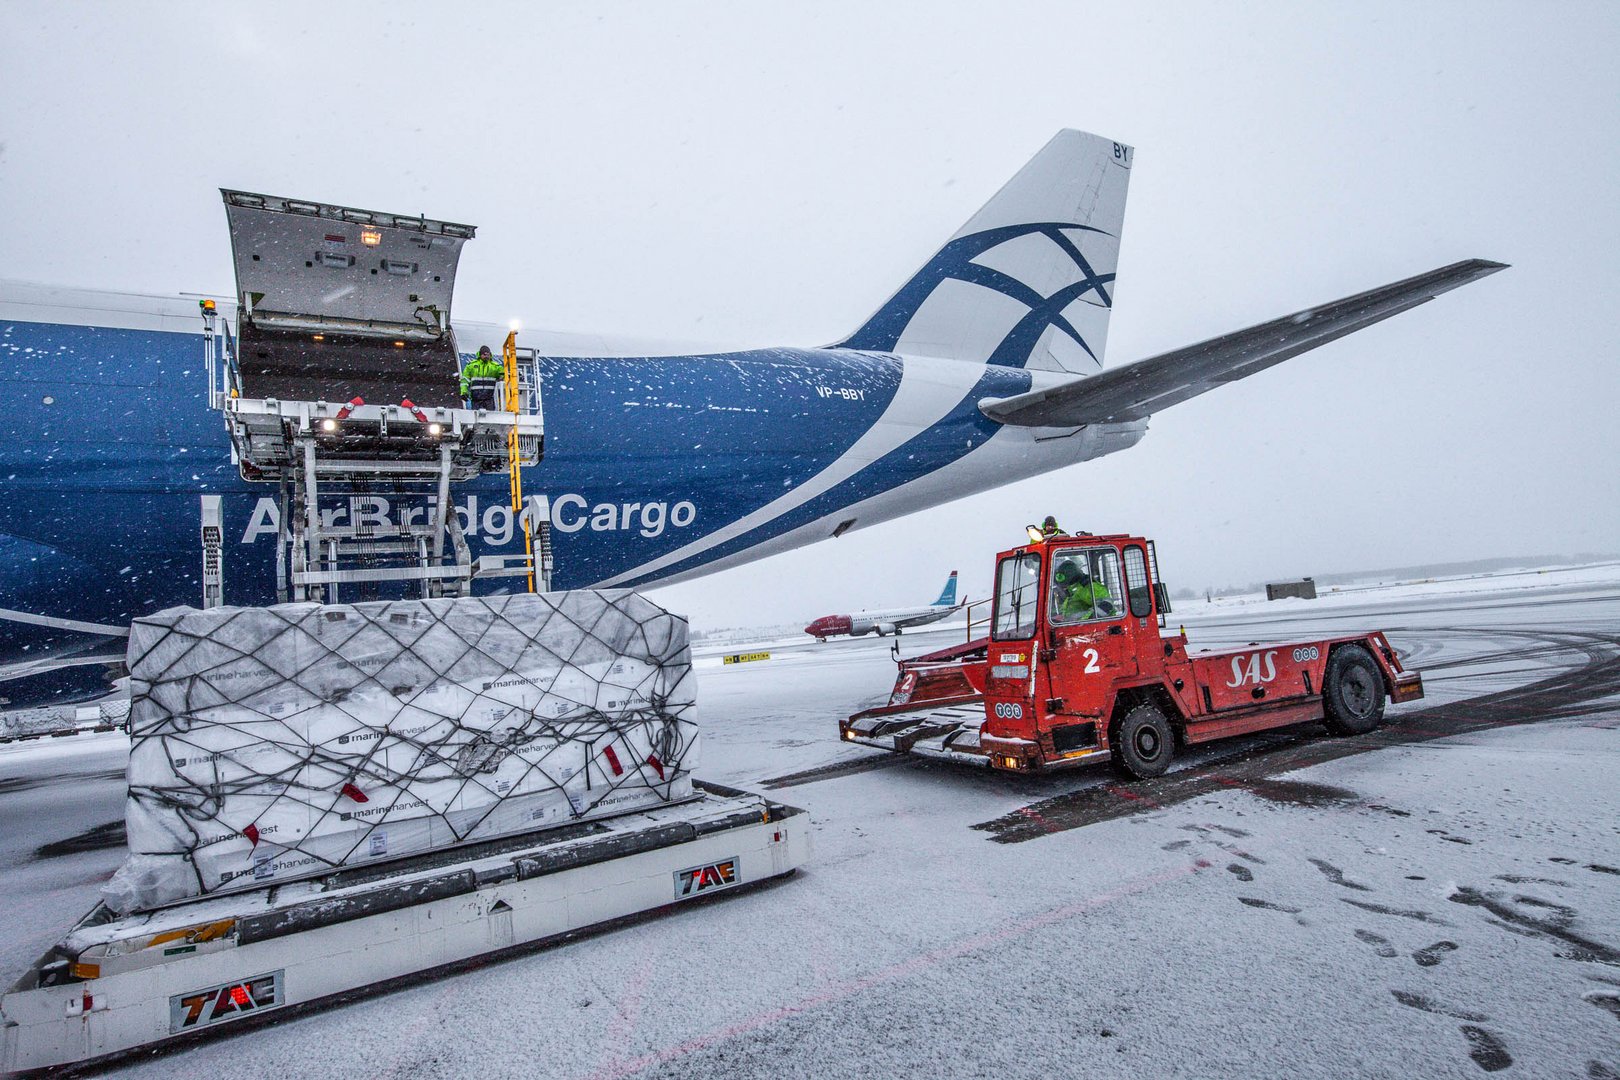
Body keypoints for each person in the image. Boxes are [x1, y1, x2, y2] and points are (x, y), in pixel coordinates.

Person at [459, 345, 504, 410]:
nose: (486, 356)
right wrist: (464, 392)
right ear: (480, 355)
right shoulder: (471, 366)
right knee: (476, 418)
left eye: (488, 355)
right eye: (484, 354)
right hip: (475, 399)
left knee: (490, 418)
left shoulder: (496, 367)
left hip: (489, 399)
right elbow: (464, 380)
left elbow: (503, 376)